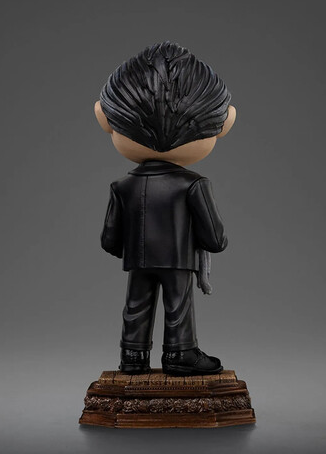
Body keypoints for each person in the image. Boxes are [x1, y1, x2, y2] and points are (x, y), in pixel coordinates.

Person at [95, 41, 236, 375]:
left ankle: (132, 356)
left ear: (104, 118)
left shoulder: (122, 186)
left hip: (138, 258)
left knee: (136, 304)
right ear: (225, 123)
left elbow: (109, 240)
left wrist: (129, 246)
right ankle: (180, 353)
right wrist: (213, 244)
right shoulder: (194, 185)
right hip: (178, 260)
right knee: (178, 305)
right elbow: (214, 238)